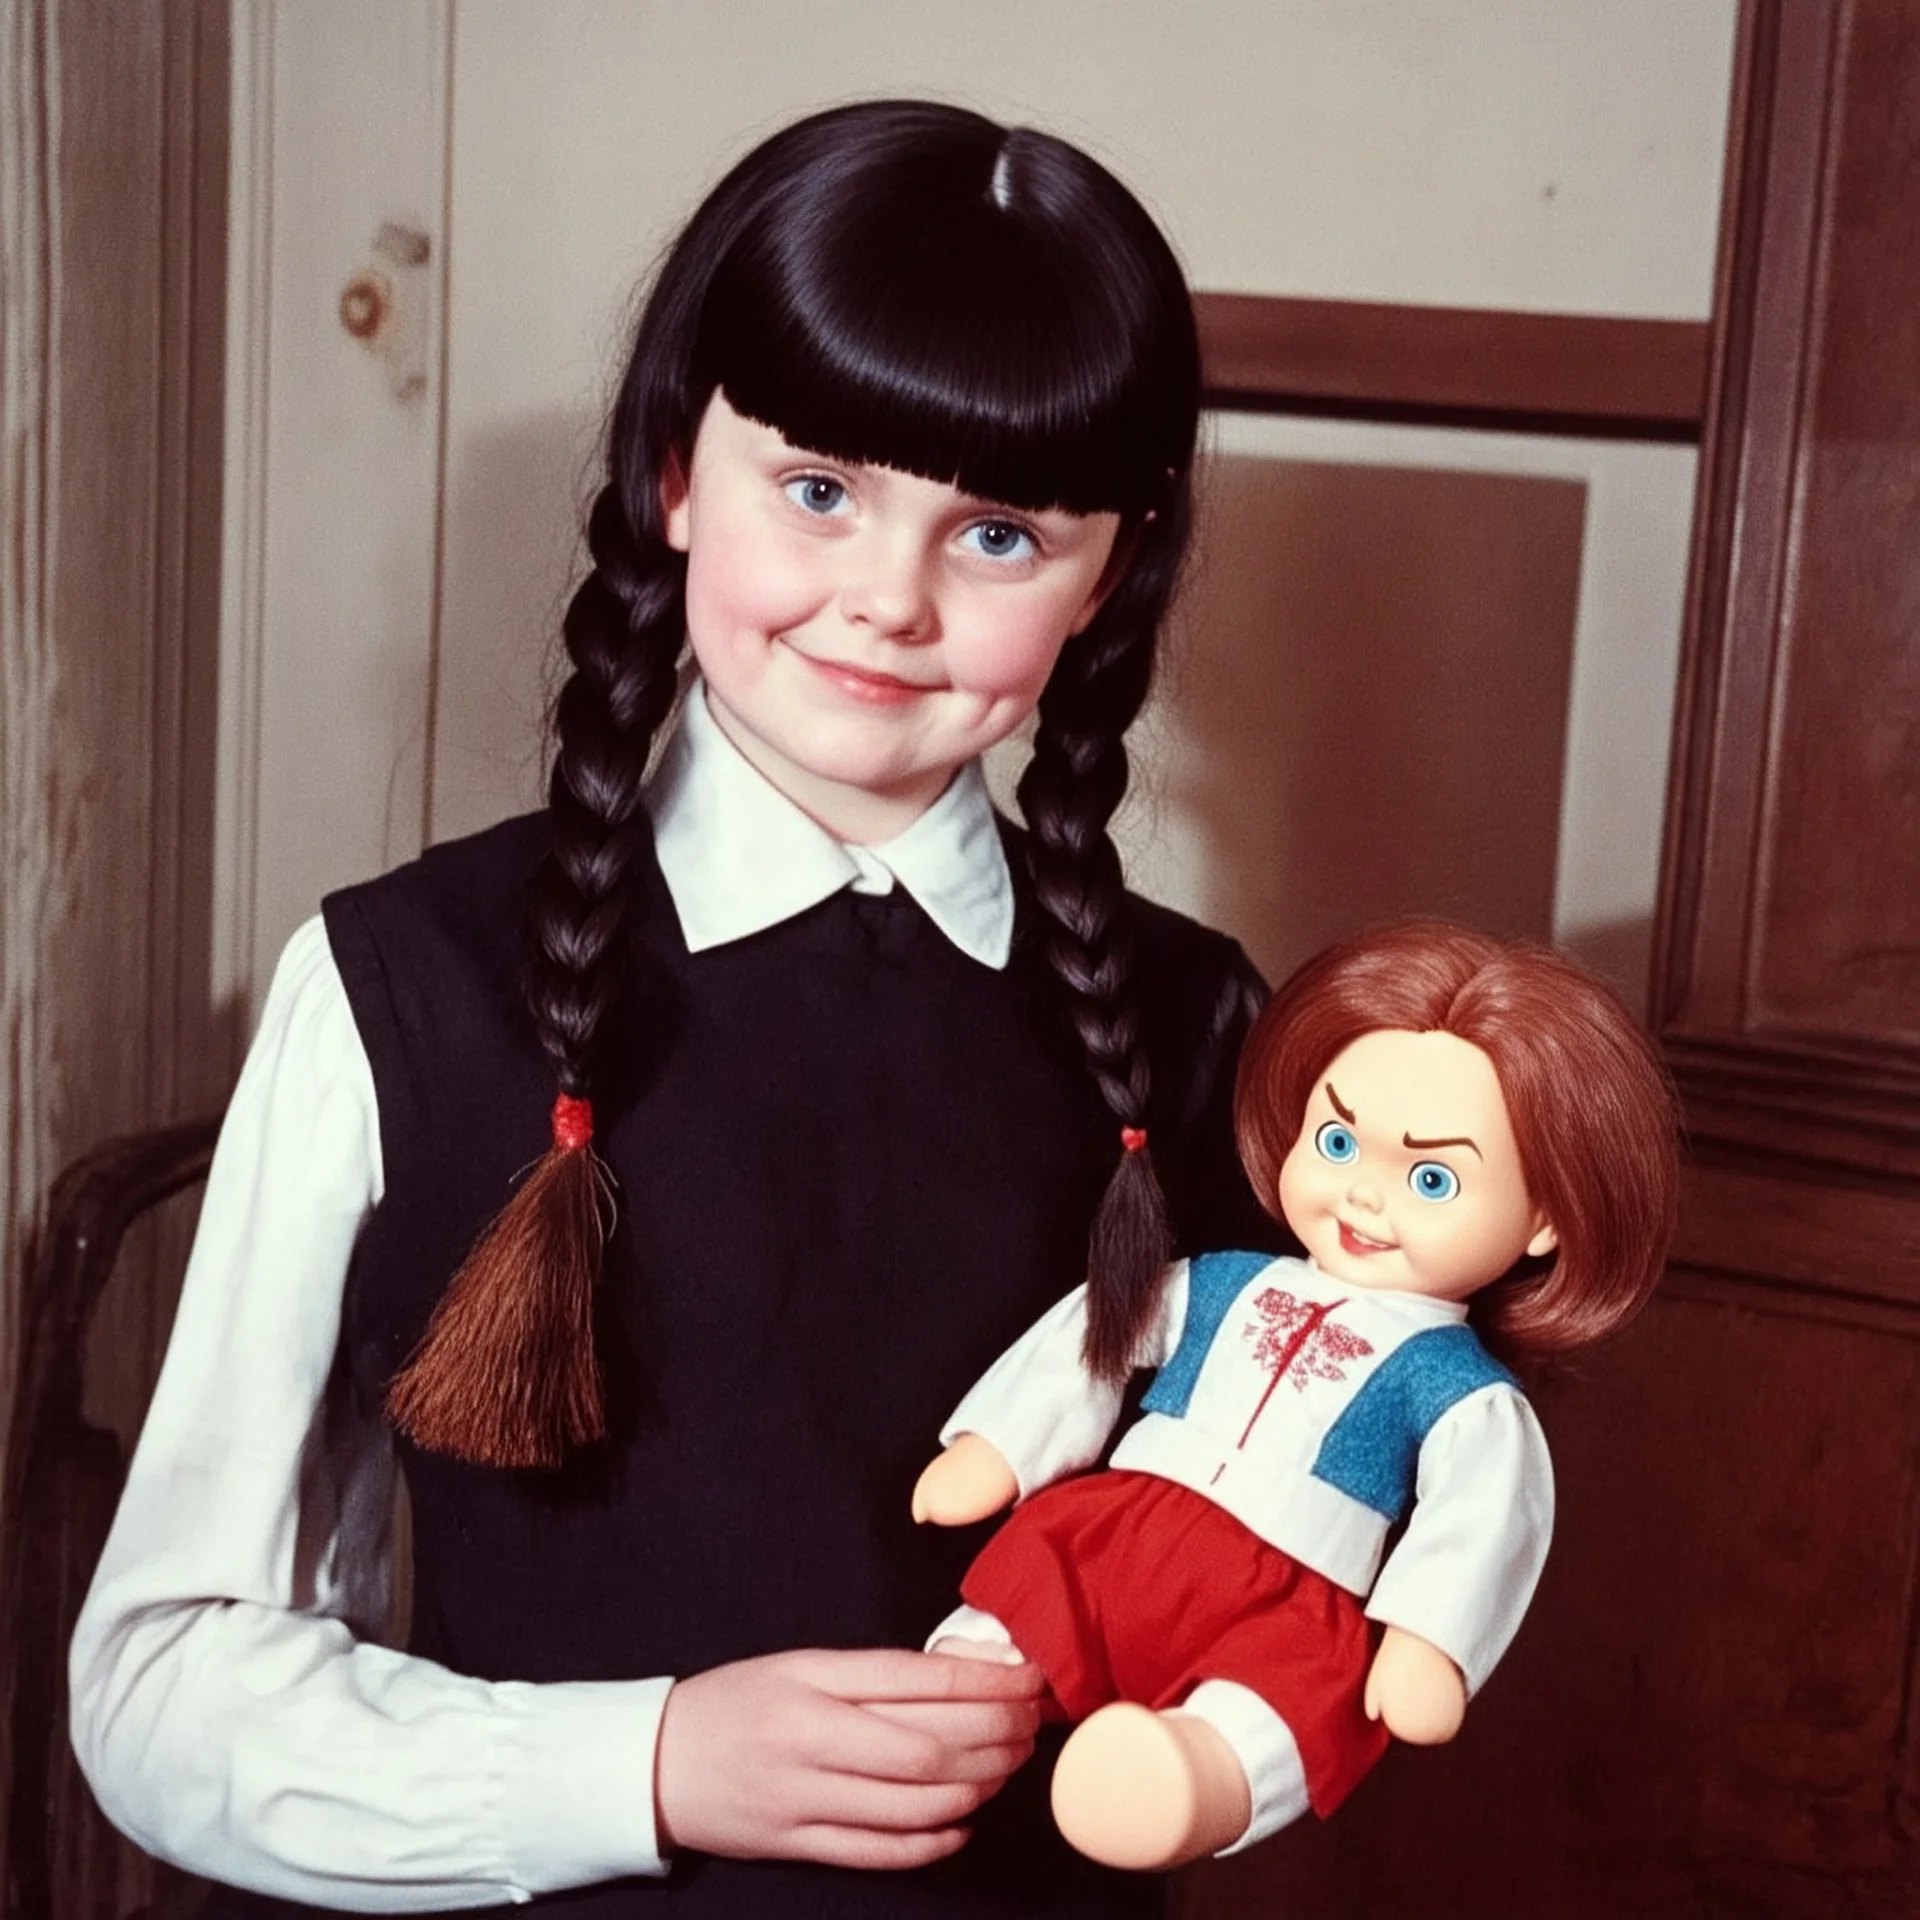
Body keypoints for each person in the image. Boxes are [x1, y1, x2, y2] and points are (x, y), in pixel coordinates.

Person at [68, 100, 1284, 1918]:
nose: (890, 599)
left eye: (1002, 536)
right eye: (820, 492)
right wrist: (643, 1764)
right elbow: (161, 1685)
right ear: (673, 473)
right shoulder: (403, 989)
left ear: (1115, 570)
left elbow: (1283, 1603)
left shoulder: (1196, 1025)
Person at [912, 920, 1680, 1872]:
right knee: (1033, 1596)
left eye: (1431, 1177)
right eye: (1338, 1139)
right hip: (1127, 1531)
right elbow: (1098, 1331)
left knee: (1287, 1696)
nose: (1363, 1197)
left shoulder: (1461, 1393)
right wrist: (1004, 1445)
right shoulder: (1224, 1281)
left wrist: (1427, 1640)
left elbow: (1481, 1517)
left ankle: (1185, 1778)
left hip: (1288, 1589)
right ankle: (964, 1691)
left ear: (1544, 1221)